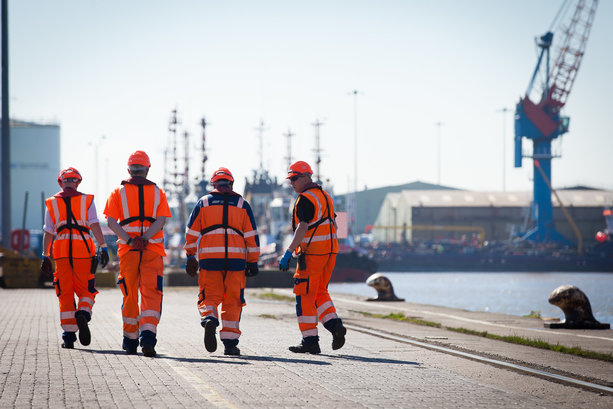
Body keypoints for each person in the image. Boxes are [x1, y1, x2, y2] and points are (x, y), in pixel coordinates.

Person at [184, 167, 260, 356]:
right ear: (231, 184)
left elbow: (191, 232)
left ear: (214, 185)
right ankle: (230, 344)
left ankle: (210, 318)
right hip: (236, 262)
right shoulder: (242, 204)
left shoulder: (203, 203)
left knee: (209, 297)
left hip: (210, 260)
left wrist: (190, 255)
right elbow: (252, 236)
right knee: (233, 301)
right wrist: (252, 261)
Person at [103, 151, 171, 357]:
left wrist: (132, 240)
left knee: (130, 293)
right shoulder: (159, 193)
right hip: (152, 250)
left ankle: (130, 341)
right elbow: (161, 220)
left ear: (128, 170)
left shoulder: (117, 193)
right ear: (147, 169)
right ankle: (148, 337)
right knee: (151, 293)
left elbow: (111, 222)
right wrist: (146, 239)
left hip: (128, 251)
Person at [279, 160, 346, 354]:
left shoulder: (305, 198)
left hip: (312, 254)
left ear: (306, 177)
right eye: (290, 179)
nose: (291, 183)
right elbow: (335, 224)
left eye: (294, 178)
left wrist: (289, 251)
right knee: (320, 292)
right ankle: (335, 326)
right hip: (330, 252)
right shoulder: (325, 196)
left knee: (304, 296)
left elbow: (303, 226)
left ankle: (310, 340)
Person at [41, 167, 109, 349]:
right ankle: (84, 314)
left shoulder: (51, 203)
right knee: (86, 288)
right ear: (78, 182)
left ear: (60, 182)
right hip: (83, 249)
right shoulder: (87, 201)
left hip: (61, 251)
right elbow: (94, 225)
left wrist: (45, 255)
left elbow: (48, 232)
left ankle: (69, 336)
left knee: (65, 291)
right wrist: (103, 247)